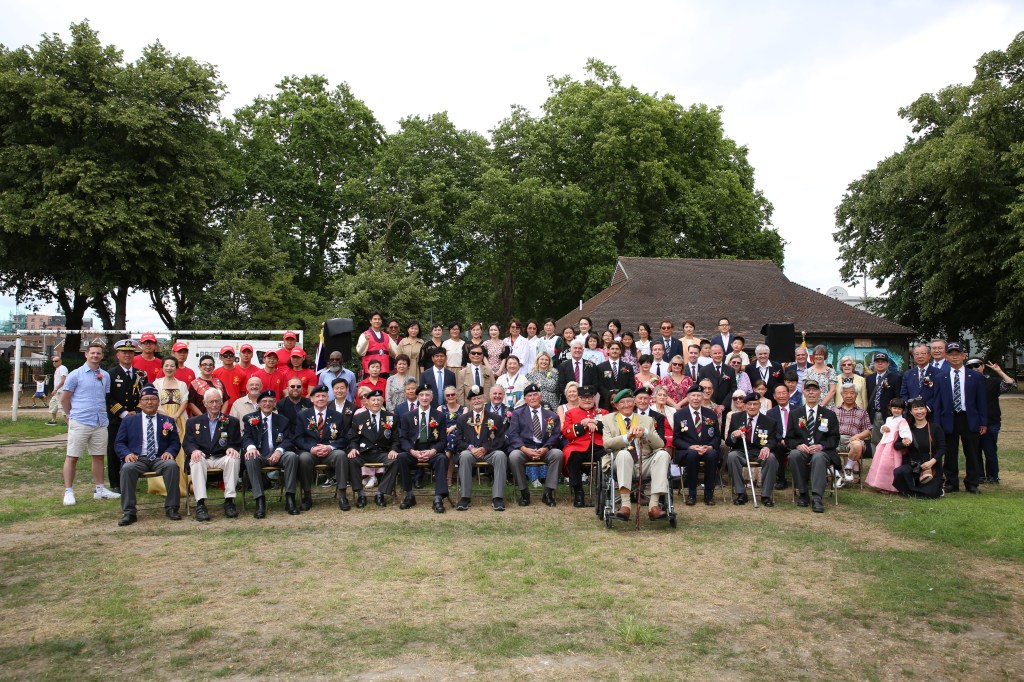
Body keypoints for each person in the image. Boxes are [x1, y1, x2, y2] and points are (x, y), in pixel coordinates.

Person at [60, 342, 119, 505]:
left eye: (98, 353)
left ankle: (100, 489)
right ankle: (68, 491)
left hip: (100, 422)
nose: (95, 355)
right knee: (72, 457)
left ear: (102, 356)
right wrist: (70, 415)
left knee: (99, 457)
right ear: (86, 354)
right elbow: (64, 399)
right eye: (92, 353)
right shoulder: (75, 375)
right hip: (80, 421)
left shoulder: (105, 375)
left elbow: (104, 397)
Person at [114, 386, 182, 525]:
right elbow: (119, 443)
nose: (149, 402)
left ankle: (172, 508)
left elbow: (175, 442)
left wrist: (170, 452)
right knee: (127, 468)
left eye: (153, 399)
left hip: (159, 457)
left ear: (158, 402)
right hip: (137, 458)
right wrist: (126, 454)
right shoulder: (129, 421)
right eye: (146, 399)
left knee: (171, 466)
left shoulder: (167, 421)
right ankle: (129, 512)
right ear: (140, 402)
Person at [601, 389, 670, 521]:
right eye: (622, 402)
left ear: (634, 403)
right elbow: (607, 444)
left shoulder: (647, 420)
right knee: (623, 454)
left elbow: (660, 443)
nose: (626, 405)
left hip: (644, 461)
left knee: (663, 455)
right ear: (616, 406)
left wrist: (645, 433)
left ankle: (654, 506)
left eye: (629, 401)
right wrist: (627, 438)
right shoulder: (608, 419)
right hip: (621, 462)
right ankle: (626, 505)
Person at [182, 388, 242, 522]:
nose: (214, 404)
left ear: (221, 402)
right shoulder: (193, 422)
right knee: (196, 460)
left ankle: (229, 501)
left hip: (221, 457)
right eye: (211, 402)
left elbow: (236, 442)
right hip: (203, 457)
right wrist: (194, 450)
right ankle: (201, 504)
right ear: (205, 403)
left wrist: (232, 448)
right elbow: (187, 443)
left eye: (217, 401)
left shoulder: (231, 421)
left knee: (233, 458)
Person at [936, 342, 986, 494]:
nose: (955, 357)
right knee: (950, 452)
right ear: (946, 357)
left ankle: (972, 483)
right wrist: (937, 425)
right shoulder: (941, 377)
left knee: (972, 452)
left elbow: (981, 401)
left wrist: (983, 422)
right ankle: (951, 482)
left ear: (964, 356)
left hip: (969, 418)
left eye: (958, 354)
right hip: (948, 419)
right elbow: (938, 402)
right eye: (951, 354)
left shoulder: (975, 376)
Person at [241, 389, 300, 518]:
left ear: (275, 404)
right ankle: (259, 500)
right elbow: (246, 437)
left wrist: (279, 451)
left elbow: (289, 439)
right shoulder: (249, 418)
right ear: (259, 404)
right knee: (250, 459)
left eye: (271, 401)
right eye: (264, 401)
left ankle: (290, 498)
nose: (267, 403)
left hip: (277, 454)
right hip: (259, 454)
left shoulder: (283, 420)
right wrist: (251, 448)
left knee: (292, 456)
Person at [787, 379, 841, 513]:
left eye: (814, 390)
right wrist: (799, 445)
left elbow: (834, 438)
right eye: (808, 390)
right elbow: (789, 438)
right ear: (803, 392)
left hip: (822, 451)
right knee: (794, 454)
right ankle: (803, 493)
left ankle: (817, 497)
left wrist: (821, 446)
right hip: (803, 451)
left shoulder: (830, 414)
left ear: (820, 392)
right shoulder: (795, 414)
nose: (811, 393)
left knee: (818, 457)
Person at [454, 385, 509, 511]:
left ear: (484, 399)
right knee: (464, 456)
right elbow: (457, 441)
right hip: (471, 452)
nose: (477, 401)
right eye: (474, 399)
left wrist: (485, 448)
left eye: (479, 398)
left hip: (489, 451)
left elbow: (501, 440)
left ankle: (498, 498)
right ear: (470, 401)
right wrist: (470, 448)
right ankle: (465, 498)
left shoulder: (495, 418)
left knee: (500, 455)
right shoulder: (463, 419)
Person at [395, 383, 448, 513]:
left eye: (427, 395)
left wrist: (433, 451)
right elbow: (403, 438)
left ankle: (438, 497)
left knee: (442, 458)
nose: (424, 398)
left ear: (432, 397)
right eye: (422, 395)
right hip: (414, 450)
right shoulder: (408, 416)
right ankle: (409, 494)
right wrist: (412, 451)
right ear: (417, 397)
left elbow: (443, 440)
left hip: (431, 450)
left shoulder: (439, 416)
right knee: (401, 457)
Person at [507, 383, 563, 507]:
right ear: (525, 399)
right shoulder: (517, 414)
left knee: (558, 454)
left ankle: (548, 493)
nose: (532, 398)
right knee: (514, 456)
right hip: (524, 449)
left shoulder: (552, 415)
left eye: (535, 395)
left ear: (540, 397)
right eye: (529, 396)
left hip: (545, 449)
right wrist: (524, 449)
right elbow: (513, 434)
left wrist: (546, 448)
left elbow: (555, 435)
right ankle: (524, 493)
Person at [106, 339, 149, 493]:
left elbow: (145, 395)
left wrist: (137, 411)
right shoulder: (110, 374)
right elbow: (107, 397)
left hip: (135, 420)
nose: (127, 355)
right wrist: (123, 413)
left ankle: (131, 480)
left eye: (130, 352)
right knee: (114, 450)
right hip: (117, 419)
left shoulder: (141, 375)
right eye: (124, 352)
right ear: (117, 354)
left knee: (134, 449)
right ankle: (116, 484)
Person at [345, 388, 400, 507]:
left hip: (382, 452)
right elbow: (353, 437)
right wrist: (353, 448)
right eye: (373, 400)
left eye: (378, 400)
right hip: (364, 452)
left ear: (382, 401)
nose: (376, 402)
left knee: (394, 461)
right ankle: (360, 494)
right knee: (351, 459)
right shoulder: (359, 417)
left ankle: (380, 493)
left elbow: (396, 439)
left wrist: (394, 449)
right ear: (367, 402)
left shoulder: (390, 417)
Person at [295, 385, 347, 510]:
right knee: (303, 459)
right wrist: (312, 448)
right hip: (310, 452)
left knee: (341, 455)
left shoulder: (337, 416)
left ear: (328, 398)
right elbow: (298, 438)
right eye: (317, 396)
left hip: (330, 452)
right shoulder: (303, 415)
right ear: (312, 399)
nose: (321, 398)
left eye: (324, 396)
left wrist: (329, 447)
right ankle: (307, 496)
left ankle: (342, 495)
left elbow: (344, 439)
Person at [724, 392, 780, 507]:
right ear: (744, 405)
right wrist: (734, 435)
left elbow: (773, 440)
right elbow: (728, 441)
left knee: (771, 458)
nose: (752, 407)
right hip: (741, 451)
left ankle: (766, 495)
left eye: (755, 404)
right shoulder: (736, 418)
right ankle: (740, 493)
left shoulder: (769, 421)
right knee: (732, 456)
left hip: (759, 452)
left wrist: (767, 447)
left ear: (760, 405)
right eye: (749, 404)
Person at [967, 357, 1015, 484]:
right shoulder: (965, 382)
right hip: (972, 423)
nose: (974, 369)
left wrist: (999, 371)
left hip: (991, 422)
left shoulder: (992, 382)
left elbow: (1010, 385)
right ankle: (979, 475)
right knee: (975, 451)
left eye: (977, 365)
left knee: (990, 451)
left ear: (983, 367)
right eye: (970, 367)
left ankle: (993, 476)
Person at [673, 385, 722, 506]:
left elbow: (717, 436)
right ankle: (692, 494)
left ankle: (709, 494)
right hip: (688, 451)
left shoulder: (711, 414)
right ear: (688, 398)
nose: (696, 398)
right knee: (692, 455)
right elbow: (676, 439)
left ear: (702, 397)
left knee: (712, 455)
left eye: (699, 395)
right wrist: (690, 447)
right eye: (693, 395)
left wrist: (710, 446)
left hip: (707, 449)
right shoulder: (679, 415)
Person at [150, 356, 189, 496]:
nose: (169, 368)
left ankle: (183, 484)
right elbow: (155, 402)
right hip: (162, 419)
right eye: (166, 365)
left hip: (179, 420)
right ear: (162, 367)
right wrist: (167, 418)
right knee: (163, 448)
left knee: (181, 451)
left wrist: (176, 416)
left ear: (176, 368)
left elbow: (185, 401)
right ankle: (163, 486)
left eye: (172, 366)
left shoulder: (182, 384)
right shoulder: (157, 383)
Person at [560, 384, 604, 506]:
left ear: (594, 398)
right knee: (571, 455)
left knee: (607, 456)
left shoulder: (603, 412)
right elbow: (567, 432)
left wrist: (596, 424)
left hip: (599, 446)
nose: (587, 400)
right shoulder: (570, 413)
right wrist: (582, 426)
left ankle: (602, 490)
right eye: (584, 398)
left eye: (590, 397)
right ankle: (578, 491)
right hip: (579, 447)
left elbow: (611, 429)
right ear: (579, 398)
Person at [892, 397, 946, 498]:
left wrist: (932, 462)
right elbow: (896, 446)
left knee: (931, 493)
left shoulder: (935, 428)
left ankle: (915, 491)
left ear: (926, 410)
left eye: (921, 408)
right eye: (915, 409)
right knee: (898, 472)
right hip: (913, 466)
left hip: (931, 466)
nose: (919, 411)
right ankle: (918, 490)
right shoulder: (906, 428)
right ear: (911, 412)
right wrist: (904, 443)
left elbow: (942, 448)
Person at [864, 398, 911, 492]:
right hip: (884, 443)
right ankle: (879, 483)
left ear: (903, 410)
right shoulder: (889, 419)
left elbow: (905, 430)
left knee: (889, 465)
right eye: (894, 408)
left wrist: (906, 438)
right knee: (880, 464)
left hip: (892, 446)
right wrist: (883, 428)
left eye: (899, 409)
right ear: (890, 408)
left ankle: (889, 486)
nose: (896, 410)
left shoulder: (902, 421)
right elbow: (884, 428)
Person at [834, 384, 873, 484]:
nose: (849, 396)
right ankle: (837, 476)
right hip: (836, 439)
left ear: (856, 395)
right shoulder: (834, 410)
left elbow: (868, 430)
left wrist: (858, 436)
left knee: (857, 445)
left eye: (852, 393)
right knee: (824, 445)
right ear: (841, 395)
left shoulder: (862, 412)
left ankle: (848, 468)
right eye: (846, 393)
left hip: (853, 439)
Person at [865, 353, 902, 443]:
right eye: (877, 362)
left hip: (889, 414)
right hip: (874, 414)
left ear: (888, 364)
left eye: (883, 362)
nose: (880, 364)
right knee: (875, 441)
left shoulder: (895, 378)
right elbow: (868, 396)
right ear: (874, 364)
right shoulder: (869, 378)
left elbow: (898, 397)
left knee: (889, 441)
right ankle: (876, 457)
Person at [765, 384, 795, 490]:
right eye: (779, 393)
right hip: (780, 442)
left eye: (784, 393)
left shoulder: (798, 410)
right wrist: (781, 440)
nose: (781, 396)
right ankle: (781, 479)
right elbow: (771, 432)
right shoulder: (770, 413)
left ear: (789, 394)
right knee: (777, 447)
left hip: (795, 441)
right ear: (774, 396)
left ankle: (804, 478)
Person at [900, 344, 942, 413]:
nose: (920, 356)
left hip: (931, 412)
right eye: (916, 354)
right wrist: (910, 407)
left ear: (929, 356)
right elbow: (903, 394)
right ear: (913, 357)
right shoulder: (907, 374)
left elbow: (939, 394)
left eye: (923, 353)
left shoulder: (938, 373)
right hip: (912, 413)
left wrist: (927, 407)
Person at [594, 341, 635, 408]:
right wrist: (610, 395)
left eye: (617, 349)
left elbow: (631, 385)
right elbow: (599, 385)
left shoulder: (628, 367)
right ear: (608, 350)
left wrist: (622, 395)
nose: (614, 351)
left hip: (624, 402)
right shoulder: (600, 367)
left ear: (620, 351)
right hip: (606, 402)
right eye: (612, 349)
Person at [557, 340, 599, 405]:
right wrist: (570, 397)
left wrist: (587, 397)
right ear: (571, 350)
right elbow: (561, 384)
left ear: (583, 350)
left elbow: (595, 384)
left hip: (587, 401)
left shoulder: (591, 365)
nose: (577, 350)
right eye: (575, 348)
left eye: (580, 348)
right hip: (569, 401)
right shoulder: (563, 366)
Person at [357, 313, 398, 377]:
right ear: (370, 321)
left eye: (379, 319)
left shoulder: (386, 336)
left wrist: (391, 350)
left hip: (384, 369)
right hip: (370, 370)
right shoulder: (364, 335)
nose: (377, 321)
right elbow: (360, 351)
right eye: (375, 319)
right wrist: (366, 341)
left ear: (381, 321)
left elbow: (396, 352)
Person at [213, 345, 247, 412]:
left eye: (231, 355)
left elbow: (243, 394)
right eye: (225, 355)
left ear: (234, 357)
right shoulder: (215, 373)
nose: (228, 357)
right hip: (220, 408)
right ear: (220, 357)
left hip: (236, 408)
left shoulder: (242, 374)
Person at [46, 355, 69, 426]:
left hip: (61, 391)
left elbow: (63, 380)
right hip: (57, 391)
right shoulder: (57, 369)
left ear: (60, 361)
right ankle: (53, 420)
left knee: (61, 406)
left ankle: (67, 422)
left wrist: (56, 389)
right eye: (53, 361)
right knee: (53, 404)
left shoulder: (62, 368)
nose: (54, 362)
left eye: (56, 361)